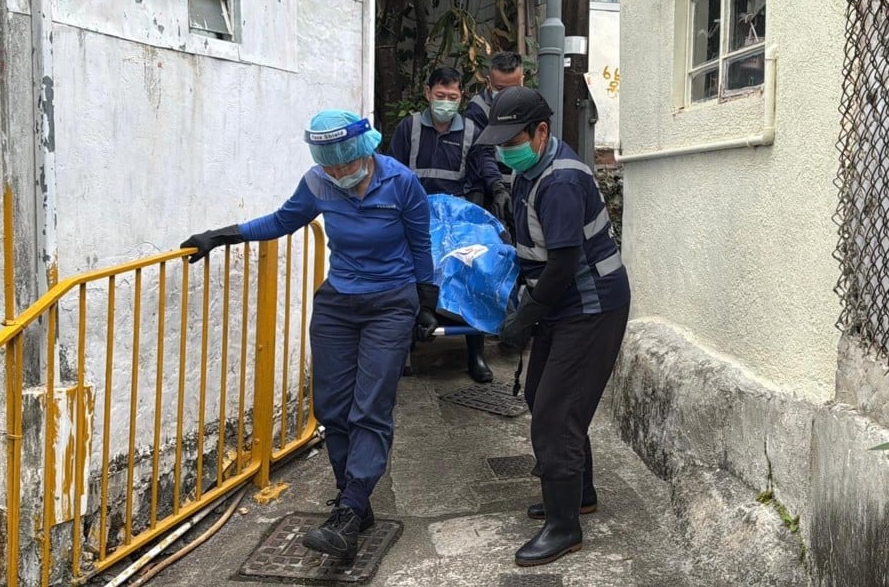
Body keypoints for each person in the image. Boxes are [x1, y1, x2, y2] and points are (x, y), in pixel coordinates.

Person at [180, 110, 440, 561]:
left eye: (344, 163)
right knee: (332, 407)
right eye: (330, 165)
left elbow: (421, 244)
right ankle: (353, 502)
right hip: (338, 304)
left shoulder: (401, 183)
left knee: (370, 408)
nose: (338, 173)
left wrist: (426, 301)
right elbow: (282, 220)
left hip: (390, 303)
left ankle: (348, 510)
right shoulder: (318, 183)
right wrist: (222, 235)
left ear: (365, 150)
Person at [474, 87, 631, 567]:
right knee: (542, 392)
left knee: (554, 413)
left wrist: (525, 318)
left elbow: (563, 265)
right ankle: (578, 493)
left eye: (512, 140)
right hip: (566, 304)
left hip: (589, 306)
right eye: (498, 143)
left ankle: (564, 528)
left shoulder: (559, 181)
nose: (504, 151)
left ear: (541, 132)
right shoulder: (530, 168)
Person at [387, 66, 511, 384]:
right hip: (416, 213)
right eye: (440, 96)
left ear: (461, 97)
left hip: (456, 215)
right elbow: (392, 170)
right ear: (428, 93)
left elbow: (484, 162)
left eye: (452, 96)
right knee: (405, 266)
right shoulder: (409, 128)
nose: (446, 102)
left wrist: (497, 188)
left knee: (477, 264)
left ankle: (476, 352)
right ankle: (406, 345)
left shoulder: (471, 130)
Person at [464, 51, 524, 203]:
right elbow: (482, 154)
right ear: (488, 81)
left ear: (522, 81)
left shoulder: (529, 103)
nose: (506, 95)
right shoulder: (477, 109)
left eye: (513, 88)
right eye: (500, 88)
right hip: (491, 186)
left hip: (523, 181)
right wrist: (498, 188)